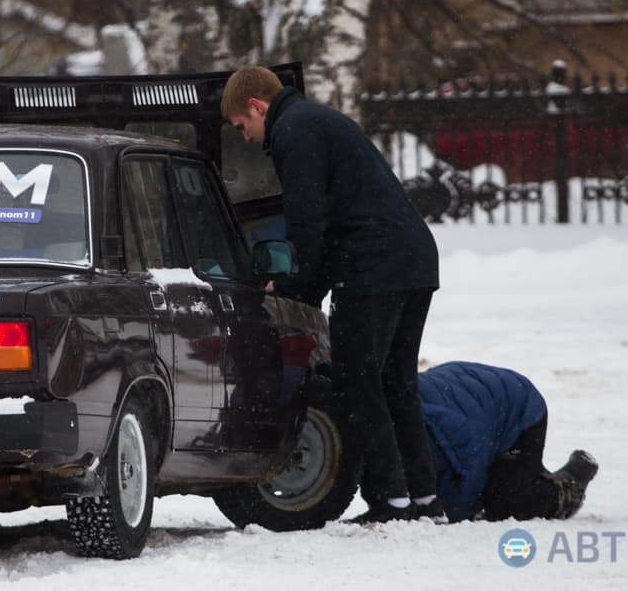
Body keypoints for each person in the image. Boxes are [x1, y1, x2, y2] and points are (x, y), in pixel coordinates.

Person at [221, 66, 440, 524]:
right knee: (398, 384)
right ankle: (423, 499)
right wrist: (309, 284)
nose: (245, 139)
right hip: (414, 258)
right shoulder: (319, 120)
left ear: (258, 107)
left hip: (372, 265)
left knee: (358, 380)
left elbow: (307, 223)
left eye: (243, 126)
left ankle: (389, 502)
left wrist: (291, 286)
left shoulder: (291, 132)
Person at [418, 361, 598, 523]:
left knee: (505, 504)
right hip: (471, 401)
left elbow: (468, 462)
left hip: (517, 410)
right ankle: (525, 474)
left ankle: (570, 483)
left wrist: (458, 511)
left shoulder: (429, 427)